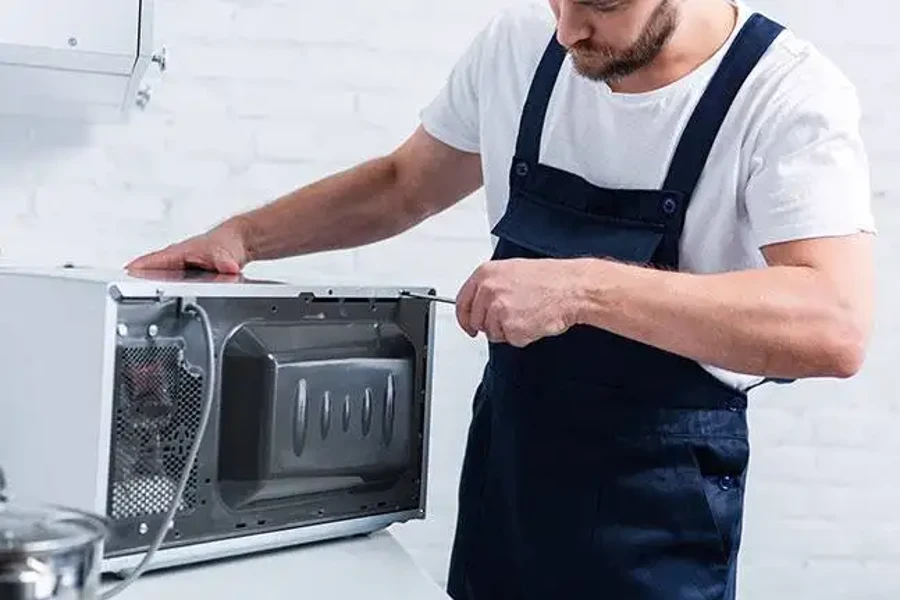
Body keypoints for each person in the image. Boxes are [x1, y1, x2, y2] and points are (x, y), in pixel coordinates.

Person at [128, 0, 876, 597]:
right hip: (510, 472)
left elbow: (834, 325)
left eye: (598, 5)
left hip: (661, 501)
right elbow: (404, 184)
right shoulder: (522, 45)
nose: (567, 28)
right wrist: (241, 238)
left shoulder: (787, 94)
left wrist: (584, 288)